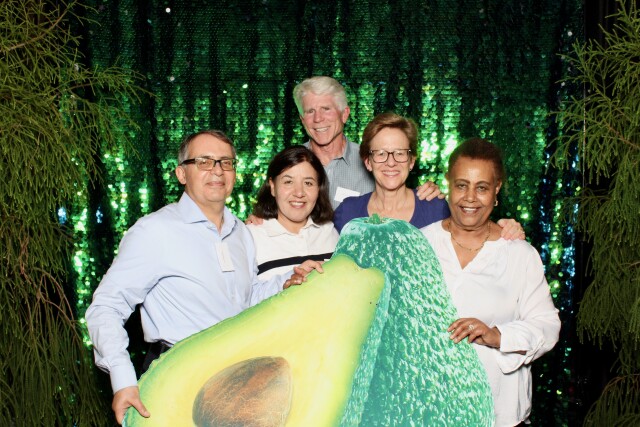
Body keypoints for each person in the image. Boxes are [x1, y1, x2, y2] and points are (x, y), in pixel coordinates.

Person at [85, 130, 321, 424]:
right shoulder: (154, 231)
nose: (217, 171)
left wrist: (286, 281)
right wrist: (123, 380)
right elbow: (105, 307)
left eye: (226, 162)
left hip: (236, 379)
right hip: (175, 377)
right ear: (181, 173)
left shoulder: (240, 232)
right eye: (204, 162)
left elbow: (247, 299)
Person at [420, 138, 561, 426]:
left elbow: (547, 326)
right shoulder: (420, 243)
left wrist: (498, 335)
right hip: (429, 410)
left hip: (499, 414)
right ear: (448, 184)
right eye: (461, 185)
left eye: (482, 187)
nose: (470, 198)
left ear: (496, 190)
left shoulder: (519, 254)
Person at [334, 113, 525, 239]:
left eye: (400, 153)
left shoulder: (436, 208)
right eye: (381, 153)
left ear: (412, 161)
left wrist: (506, 230)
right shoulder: (347, 212)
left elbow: (474, 235)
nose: (391, 162)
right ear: (368, 162)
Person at [293, 76, 441, 208]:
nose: (318, 118)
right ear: (302, 120)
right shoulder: (288, 163)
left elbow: (399, 198)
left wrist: (427, 194)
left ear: (344, 114)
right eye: (310, 111)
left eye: (326, 109)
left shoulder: (374, 158)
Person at [247, 146, 339, 279]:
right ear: (272, 187)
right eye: (288, 182)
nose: (299, 193)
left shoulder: (329, 232)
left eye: (308, 183)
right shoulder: (251, 237)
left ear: (319, 188)